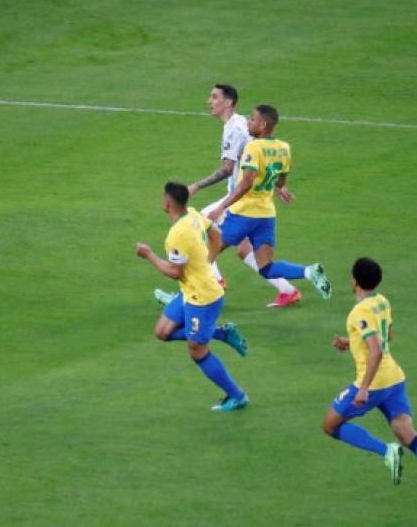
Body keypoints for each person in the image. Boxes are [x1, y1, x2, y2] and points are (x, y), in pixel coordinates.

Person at [322, 257, 417, 520]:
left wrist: (363, 389)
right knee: (408, 433)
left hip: (373, 383)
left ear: (354, 281)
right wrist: (351, 343)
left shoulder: (358, 312)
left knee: (330, 425)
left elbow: (374, 349)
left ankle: (386, 451)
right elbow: (387, 338)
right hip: (395, 379)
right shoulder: (382, 301)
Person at [156, 84, 300, 308]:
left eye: (214, 97)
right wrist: (277, 186)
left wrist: (196, 186)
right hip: (251, 198)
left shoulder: (235, 128)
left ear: (228, 102)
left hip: (241, 199)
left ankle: (205, 287)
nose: (209, 102)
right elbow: (262, 160)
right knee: (244, 250)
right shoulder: (242, 125)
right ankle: (287, 290)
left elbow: (227, 169)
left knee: (201, 230)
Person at [136, 182, 249, 411]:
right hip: (190, 291)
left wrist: (149, 255)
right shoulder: (193, 214)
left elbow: (174, 272)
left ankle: (237, 396)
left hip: (203, 298)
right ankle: (220, 333)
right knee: (162, 332)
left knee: (197, 351)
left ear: (168, 203)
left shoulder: (176, 235)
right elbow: (216, 233)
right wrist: (209, 261)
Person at [205, 104, 331, 299]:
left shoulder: (253, 147)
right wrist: (280, 190)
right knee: (266, 268)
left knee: (204, 253)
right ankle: (308, 271)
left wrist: (221, 206)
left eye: (253, 119)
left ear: (263, 125)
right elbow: (280, 180)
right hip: (266, 216)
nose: (248, 123)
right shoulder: (284, 148)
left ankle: (186, 300)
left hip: (243, 214)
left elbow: (246, 183)